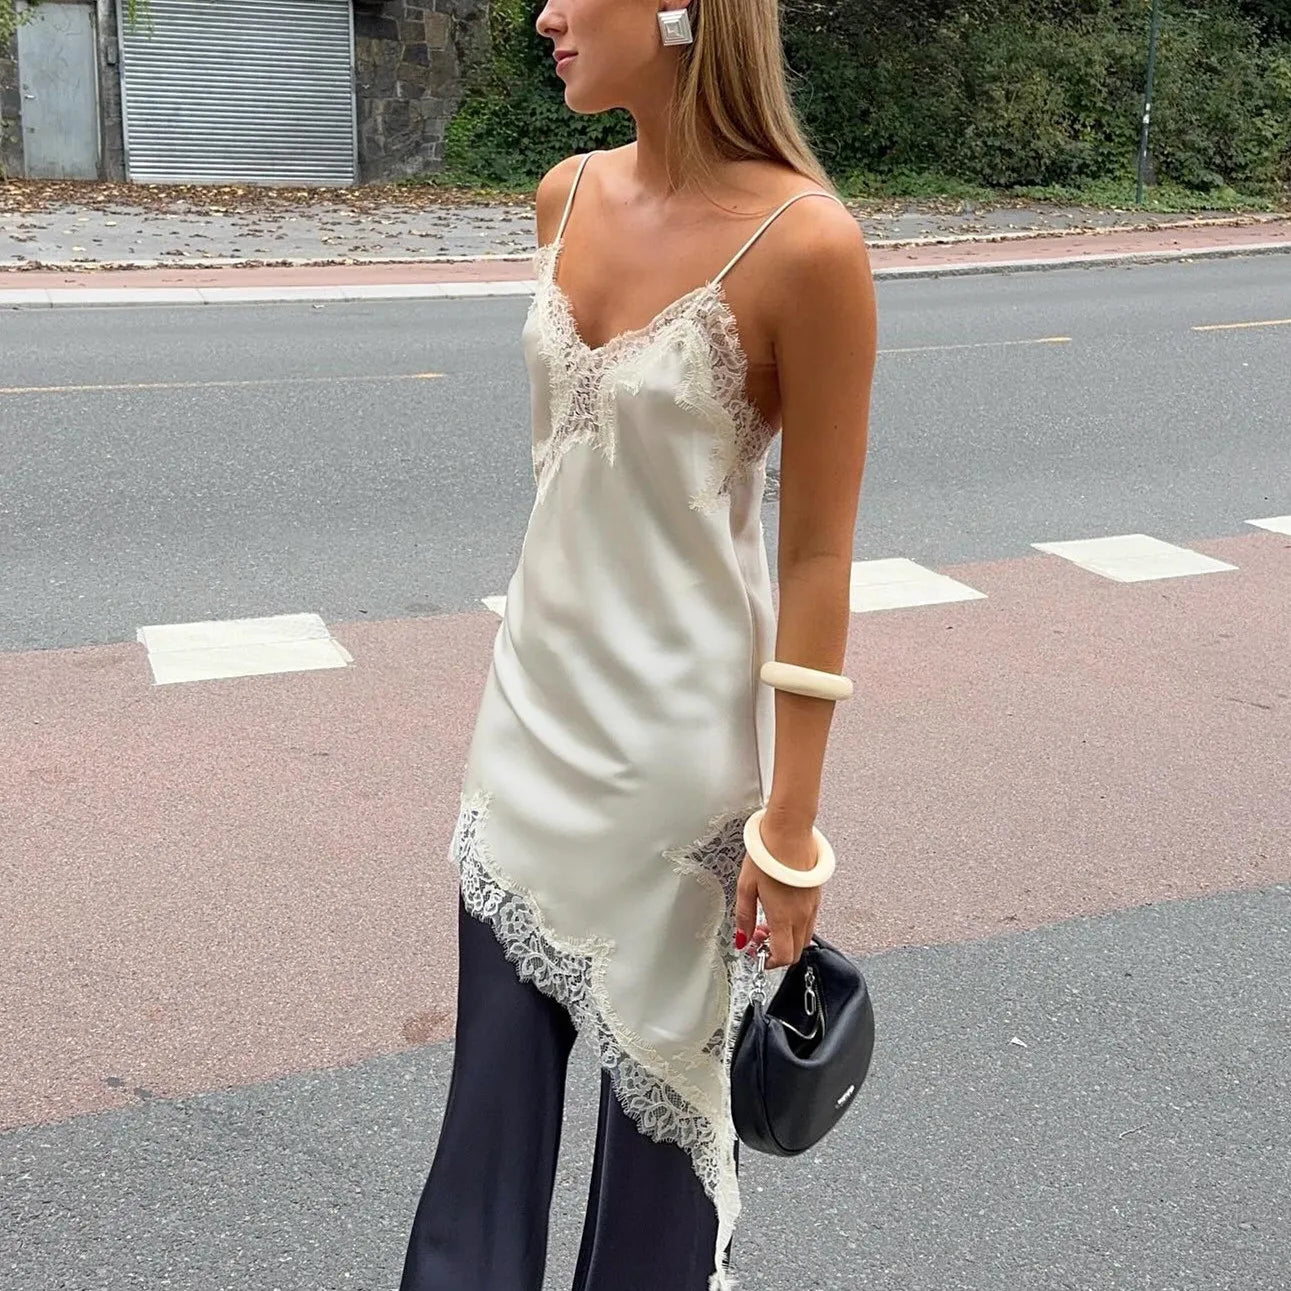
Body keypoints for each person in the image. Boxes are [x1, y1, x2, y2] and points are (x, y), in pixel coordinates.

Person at [400, 0, 876, 1288]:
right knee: (479, 1150)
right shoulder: (562, 197)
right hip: (526, 727)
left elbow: (818, 555)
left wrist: (792, 828)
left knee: (654, 1184)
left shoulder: (807, 245)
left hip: (678, 779)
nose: (544, 13)